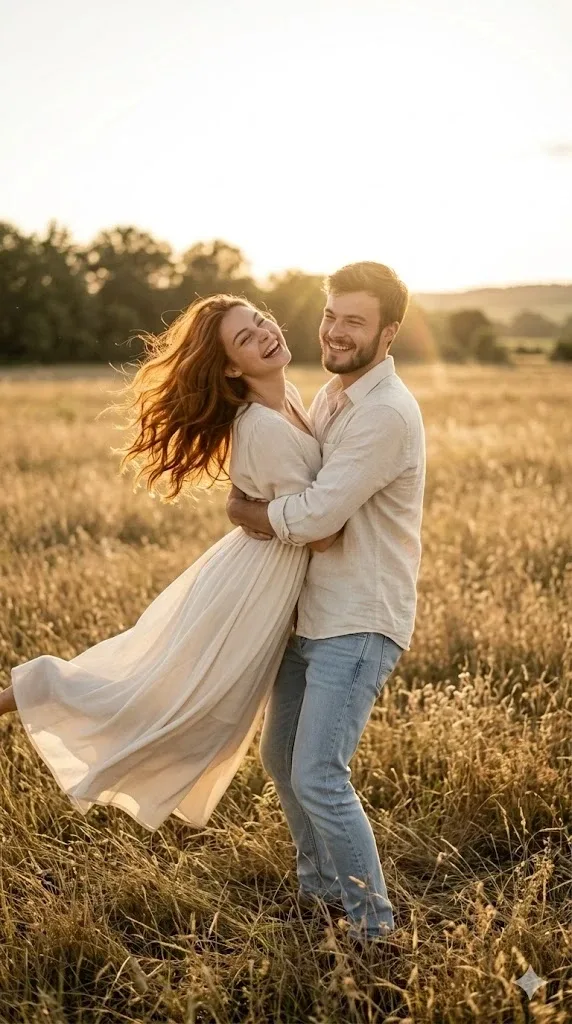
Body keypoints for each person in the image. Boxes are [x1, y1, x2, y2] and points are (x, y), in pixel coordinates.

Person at [0, 294, 340, 831]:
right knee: (176, 702)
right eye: (245, 338)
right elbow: (316, 529)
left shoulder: (290, 397)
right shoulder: (263, 425)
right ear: (231, 366)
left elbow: (255, 499)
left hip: (259, 570)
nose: (265, 335)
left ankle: (41, 692)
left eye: (260, 322)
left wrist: (247, 508)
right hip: (252, 585)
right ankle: (39, 687)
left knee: (190, 703)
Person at [226, 261, 426, 945]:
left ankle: (376, 932)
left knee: (318, 773)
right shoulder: (330, 397)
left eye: (356, 321)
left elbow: (317, 518)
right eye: (331, 315)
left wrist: (247, 511)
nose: (336, 332)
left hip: (360, 619)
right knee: (281, 762)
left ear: (389, 332)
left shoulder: (384, 414)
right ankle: (321, 896)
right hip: (312, 613)